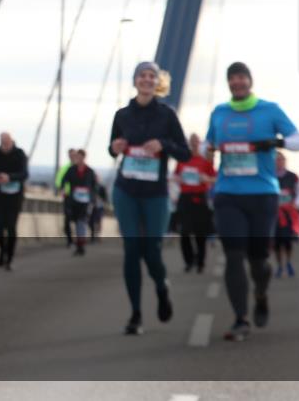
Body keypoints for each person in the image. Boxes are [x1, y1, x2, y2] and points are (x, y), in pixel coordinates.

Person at [204, 62, 299, 342]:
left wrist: (275, 143)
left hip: (262, 195)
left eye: (241, 78)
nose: (237, 83)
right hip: (228, 194)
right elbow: (206, 145)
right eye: (232, 79)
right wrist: (208, 150)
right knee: (234, 256)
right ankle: (241, 318)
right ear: (228, 83)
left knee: (258, 261)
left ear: (250, 80)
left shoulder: (269, 110)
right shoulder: (219, 113)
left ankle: (261, 294)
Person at [108, 62, 190, 335]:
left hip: (155, 193)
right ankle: (135, 315)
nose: (146, 79)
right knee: (132, 250)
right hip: (126, 190)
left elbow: (185, 153)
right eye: (141, 75)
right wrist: (115, 147)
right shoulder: (122, 115)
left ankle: (161, 286)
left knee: (151, 250)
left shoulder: (167, 115)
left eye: (151, 76)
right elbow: (113, 148)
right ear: (135, 81)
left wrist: (163, 145)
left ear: (158, 83)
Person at [172, 133, 216, 273]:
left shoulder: (205, 161)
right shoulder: (182, 160)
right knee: (184, 232)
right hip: (185, 197)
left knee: (200, 233)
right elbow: (175, 176)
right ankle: (189, 261)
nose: (193, 144)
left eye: (196, 141)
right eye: (191, 141)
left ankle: (201, 262)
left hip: (199, 198)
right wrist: (177, 179)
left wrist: (206, 179)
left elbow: (215, 179)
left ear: (199, 143)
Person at [0, 132, 29, 270]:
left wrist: (9, 177)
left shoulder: (20, 154)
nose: (4, 144)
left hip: (15, 196)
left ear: (12, 141)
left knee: (11, 227)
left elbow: (24, 174)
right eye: (2, 141)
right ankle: (3, 250)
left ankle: (9, 257)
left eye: (6, 141)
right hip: (0, 195)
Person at [58, 150, 98, 256]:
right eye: (77, 157)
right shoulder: (71, 170)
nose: (78, 159)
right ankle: (79, 243)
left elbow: (94, 187)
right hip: (74, 201)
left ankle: (80, 245)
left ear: (84, 157)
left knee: (82, 221)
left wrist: (93, 199)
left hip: (86, 201)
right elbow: (63, 180)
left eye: (80, 157)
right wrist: (62, 189)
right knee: (76, 222)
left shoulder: (90, 171)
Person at [273, 152, 299, 278]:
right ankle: (280, 265)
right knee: (276, 242)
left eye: (282, 159)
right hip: (274, 214)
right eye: (277, 160)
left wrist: (297, 203)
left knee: (287, 240)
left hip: (288, 214)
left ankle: (289, 263)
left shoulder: (292, 176)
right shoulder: (269, 176)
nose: (280, 162)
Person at [55, 148, 78, 247]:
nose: (72, 157)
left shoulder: (81, 168)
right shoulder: (65, 168)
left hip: (79, 198)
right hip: (68, 196)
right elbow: (58, 181)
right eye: (70, 155)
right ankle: (69, 240)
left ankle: (79, 239)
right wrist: (61, 188)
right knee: (68, 217)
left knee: (78, 218)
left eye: (74, 155)